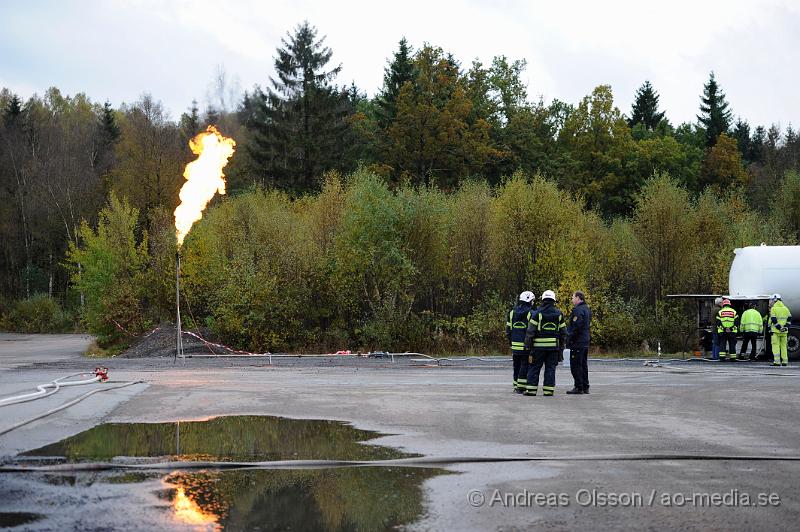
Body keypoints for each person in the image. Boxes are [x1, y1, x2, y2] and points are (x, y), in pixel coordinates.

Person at [523, 290, 566, 397]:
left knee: (534, 368)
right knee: (550, 369)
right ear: (554, 300)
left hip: (538, 349)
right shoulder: (558, 314)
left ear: (542, 299)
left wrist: (527, 346)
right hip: (553, 349)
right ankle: (548, 391)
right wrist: (561, 348)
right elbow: (563, 333)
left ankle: (531, 391)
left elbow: (530, 331)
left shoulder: (537, 313)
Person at [506, 291, 535, 393]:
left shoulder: (512, 313)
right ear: (530, 301)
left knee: (516, 365)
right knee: (524, 365)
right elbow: (532, 331)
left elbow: (508, 330)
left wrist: (510, 342)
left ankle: (516, 385)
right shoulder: (531, 313)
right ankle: (521, 387)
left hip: (515, 345)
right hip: (525, 345)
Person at [566, 290, 592, 395]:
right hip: (585, 341)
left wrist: (570, 338)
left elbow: (576, 327)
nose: (572, 300)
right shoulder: (587, 309)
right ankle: (585, 386)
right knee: (583, 364)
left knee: (576, 365)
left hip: (578, 342)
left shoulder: (578, 310)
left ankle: (578, 387)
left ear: (578, 298)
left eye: (573, 297)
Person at [768, 293, 793, 367]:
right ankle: (785, 361)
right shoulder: (786, 308)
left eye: (772, 300)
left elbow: (773, 320)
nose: (771, 302)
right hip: (784, 332)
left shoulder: (773, 309)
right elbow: (789, 318)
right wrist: (785, 327)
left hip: (775, 332)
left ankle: (777, 362)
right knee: (783, 346)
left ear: (775, 300)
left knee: (775, 346)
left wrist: (779, 328)